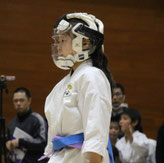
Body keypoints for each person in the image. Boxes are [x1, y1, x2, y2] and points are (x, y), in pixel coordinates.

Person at [43, 12, 114, 163]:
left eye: (62, 40)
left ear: (84, 43)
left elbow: (96, 133)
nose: (57, 46)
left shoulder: (92, 76)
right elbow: (52, 141)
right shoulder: (61, 85)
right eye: (57, 40)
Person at [6, 87, 47, 163]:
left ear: (29, 101)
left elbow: (43, 143)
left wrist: (20, 142)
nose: (18, 103)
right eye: (15, 101)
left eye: (21, 100)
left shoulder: (37, 120)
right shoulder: (11, 124)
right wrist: (8, 144)